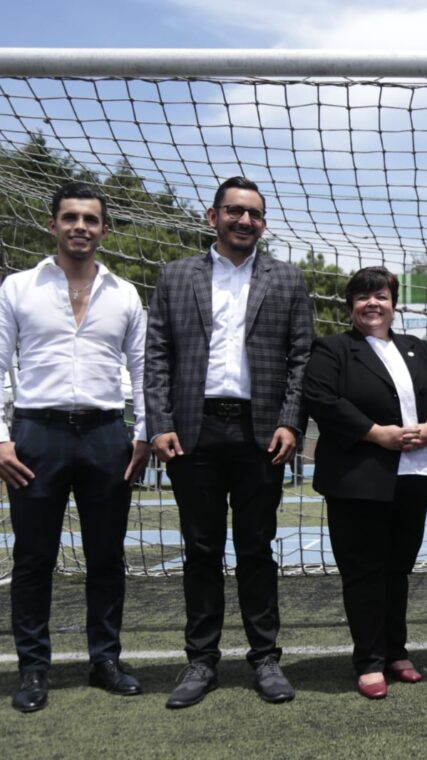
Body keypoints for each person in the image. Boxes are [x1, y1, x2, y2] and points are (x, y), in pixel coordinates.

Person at [145, 176, 313, 708]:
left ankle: (265, 658)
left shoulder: (287, 279)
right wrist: (159, 423)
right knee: (201, 550)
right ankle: (201, 661)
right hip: (193, 431)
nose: (245, 221)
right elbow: (157, 354)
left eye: (254, 214)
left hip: (260, 433)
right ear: (212, 216)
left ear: (263, 223)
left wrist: (291, 422)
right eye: (235, 211)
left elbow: (301, 357)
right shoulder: (176, 276)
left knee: (257, 549)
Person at [0, 183, 151, 713]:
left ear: (104, 229)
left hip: (107, 434)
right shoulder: (18, 288)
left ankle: (105, 659)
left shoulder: (125, 294)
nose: (80, 227)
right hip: (36, 434)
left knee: (106, 555)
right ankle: (33, 667)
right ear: (53, 224)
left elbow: (141, 368)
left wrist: (143, 432)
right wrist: (0, 438)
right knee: (33, 556)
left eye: (90, 219)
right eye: (70, 218)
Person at [303, 266, 427, 699]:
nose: (373, 303)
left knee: (397, 571)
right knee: (364, 573)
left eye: (381, 296)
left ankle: (396, 651)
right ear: (350, 305)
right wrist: (376, 434)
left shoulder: (416, 348)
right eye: (363, 297)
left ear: (393, 304)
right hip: (357, 480)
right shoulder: (333, 349)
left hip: (415, 477)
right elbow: (322, 400)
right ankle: (369, 660)